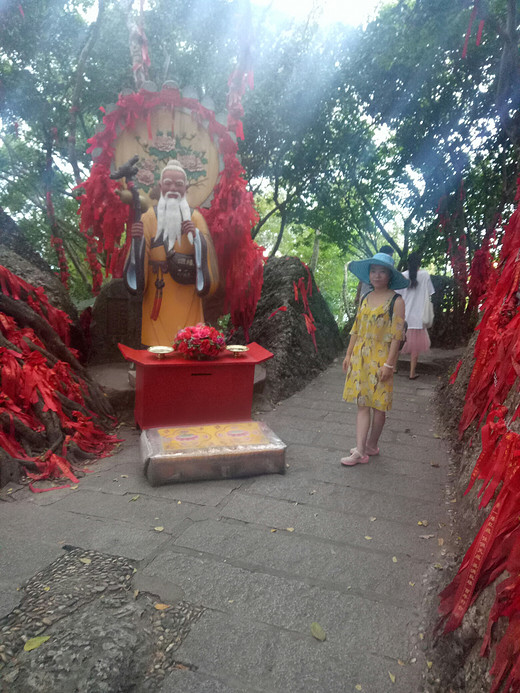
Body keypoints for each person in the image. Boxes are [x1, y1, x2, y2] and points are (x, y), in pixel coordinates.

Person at [125, 159, 219, 347]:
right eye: (168, 183)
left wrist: (196, 236)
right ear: (160, 186)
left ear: (186, 187)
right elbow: (139, 254)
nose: (173, 188)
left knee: (189, 340)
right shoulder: (148, 216)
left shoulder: (195, 217)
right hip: (157, 289)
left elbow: (207, 250)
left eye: (178, 184)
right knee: (157, 343)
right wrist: (139, 239)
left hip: (187, 289)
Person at [342, 252, 409, 466]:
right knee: (363, 404)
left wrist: (390, 364)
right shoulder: (365, 297)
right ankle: (360, 450)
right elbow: (356, 327)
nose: (377, 275)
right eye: (373, 271)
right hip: (362, 356)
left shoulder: (396, 301)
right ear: (368, 275)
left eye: (382, 272)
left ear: (389, 275)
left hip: (382, 358)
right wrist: (349, 353)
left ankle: (371, 445)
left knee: (379, 407)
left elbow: (397, 335)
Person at [396, 252, 435, 380]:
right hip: (418, 316)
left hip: (404, 315)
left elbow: (397, 294)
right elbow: (430, 292)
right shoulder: (424, 275)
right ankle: (412, 373)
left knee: (397, 342)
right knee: (415, 348)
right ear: (420, 262)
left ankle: (394, 368)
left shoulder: (402, 276)